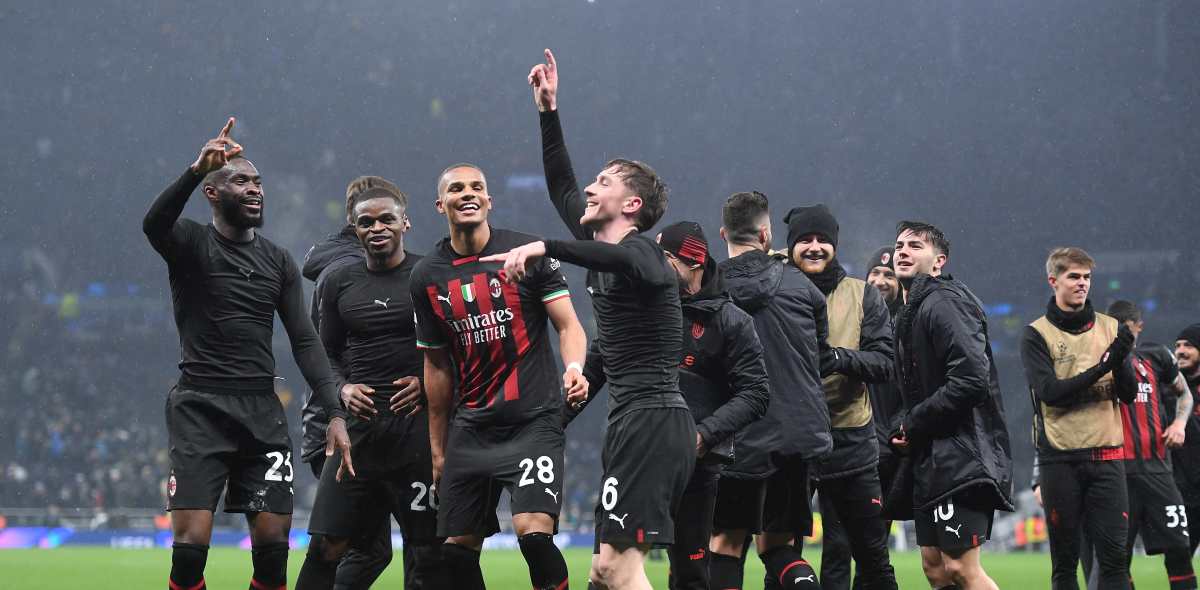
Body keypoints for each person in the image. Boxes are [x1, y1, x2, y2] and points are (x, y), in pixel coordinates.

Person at [491, 48, 697, 589]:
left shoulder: (645, 253)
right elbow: (562, 185)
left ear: (632, 205)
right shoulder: (604, 252)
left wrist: (544, 246)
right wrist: (548, 112)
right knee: (602, 575)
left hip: (653, 420)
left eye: (604, 182)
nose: (589, 187)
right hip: (628, 421)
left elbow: (622, 260)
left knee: (614, 569)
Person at [142, 117, 352, 590]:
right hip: (199, 406)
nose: (255, 189)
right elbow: (153, 224)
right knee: (190, 552)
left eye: (258, 182)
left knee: (274, 551)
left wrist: (335, 412)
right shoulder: (191, 242)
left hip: (261, 409)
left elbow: (305, 340)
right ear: (212, 193)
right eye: (241, 181)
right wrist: (195, 169)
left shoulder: (278, 260)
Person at [410, 162, 587, 590]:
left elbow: (569, 325)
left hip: (533, 419)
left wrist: (574, 368)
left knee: (534, 536)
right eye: (457, 188)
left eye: (477, 187)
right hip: (472, 426)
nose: (468, 193)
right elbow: (436, 366)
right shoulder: (426, 276)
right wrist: (438, 448)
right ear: (441, 204)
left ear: (489, 200)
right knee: (455, 551)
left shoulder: (526, 252)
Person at [296, 185, 444, 589]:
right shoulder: (337, 281)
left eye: (386, 220)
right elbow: (323, 354)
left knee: (427, 552)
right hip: (357, 436)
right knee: (326, 546)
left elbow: (458, 349)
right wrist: (342, 389)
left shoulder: (429, 274)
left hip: (416, 433)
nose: (377, 228)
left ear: (404, 223)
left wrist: (426, 383)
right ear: (355, 229)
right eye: (366, 222)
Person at [709, 190, 829, 590]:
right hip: (798, 434)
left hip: (739, 435)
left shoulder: (710, 288)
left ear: (724, 233)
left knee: (726, 543)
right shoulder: (804, 288)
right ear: (766, 234)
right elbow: (819, 356)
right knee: (779, 547)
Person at [891, 220, 1012, 590]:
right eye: (899, 246)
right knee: (936, 568)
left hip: (961, 455)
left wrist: (913, 422)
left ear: (938, 262)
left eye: (915, 246)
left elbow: (971, 380)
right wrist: (906, 425)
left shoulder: (944, 302)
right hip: (933, 457)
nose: (903, 251)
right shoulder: (910, 311)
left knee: (960, 568)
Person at [784, 205, 898, 590]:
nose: (815, 247)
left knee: (869, 556)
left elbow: (885, 363)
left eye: (823, 240)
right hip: (790, 442)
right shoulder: (773, 289)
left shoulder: (863, 295)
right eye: (805, 240)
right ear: (790, 246)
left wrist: (836, 358)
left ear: (835, 245)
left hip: (850, 440)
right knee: (781, 557)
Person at [656, 221, 770, 589]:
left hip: (696, 465)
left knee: (689, 575)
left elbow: (756, 392)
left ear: (693, 262)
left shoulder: (731, 321)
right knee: (608, 564)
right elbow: (602, 359)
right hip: (641, 454)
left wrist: (704, 435)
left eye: (666, 257)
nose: (656, 265)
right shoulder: (646, 306)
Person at [1021, 247, 1137, 590]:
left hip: (1108, 458)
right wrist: (1104, 366)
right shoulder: (1036, 334)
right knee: (1065, 564)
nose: (1082, 283)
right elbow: (1051, 393)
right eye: (1073, 276)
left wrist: (1121, 361)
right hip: (1060, 460)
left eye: (1087, 277)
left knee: (1115, 563)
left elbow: (1128, 394)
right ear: (1053, 281)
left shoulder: (1111, 328)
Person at [819, 244, 905, 590]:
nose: (881, 280)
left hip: (889, 451)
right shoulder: (851, 320)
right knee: (838, 544)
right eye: (876, 273)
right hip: (851, 444)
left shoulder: (909, 328)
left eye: (889, 275)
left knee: (872, 549)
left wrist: (899, 429)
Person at [1105, 301, 1196, 590]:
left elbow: (1184, 394)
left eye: (1127, 331)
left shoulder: (1156, 356)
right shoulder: (1102, 361)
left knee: (1180, 552)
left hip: (1159, 472)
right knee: (1117, 559)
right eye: (1117, 331)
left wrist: (1179, 424)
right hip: (1118, 475)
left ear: (1139, 327)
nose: (1122, 338)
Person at [1173, 324, 1200, 555]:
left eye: (1189, 345)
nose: (1180, 351)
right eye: (1178, 346)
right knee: (1180, 560)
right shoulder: (1168, 389)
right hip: (1184, 493)